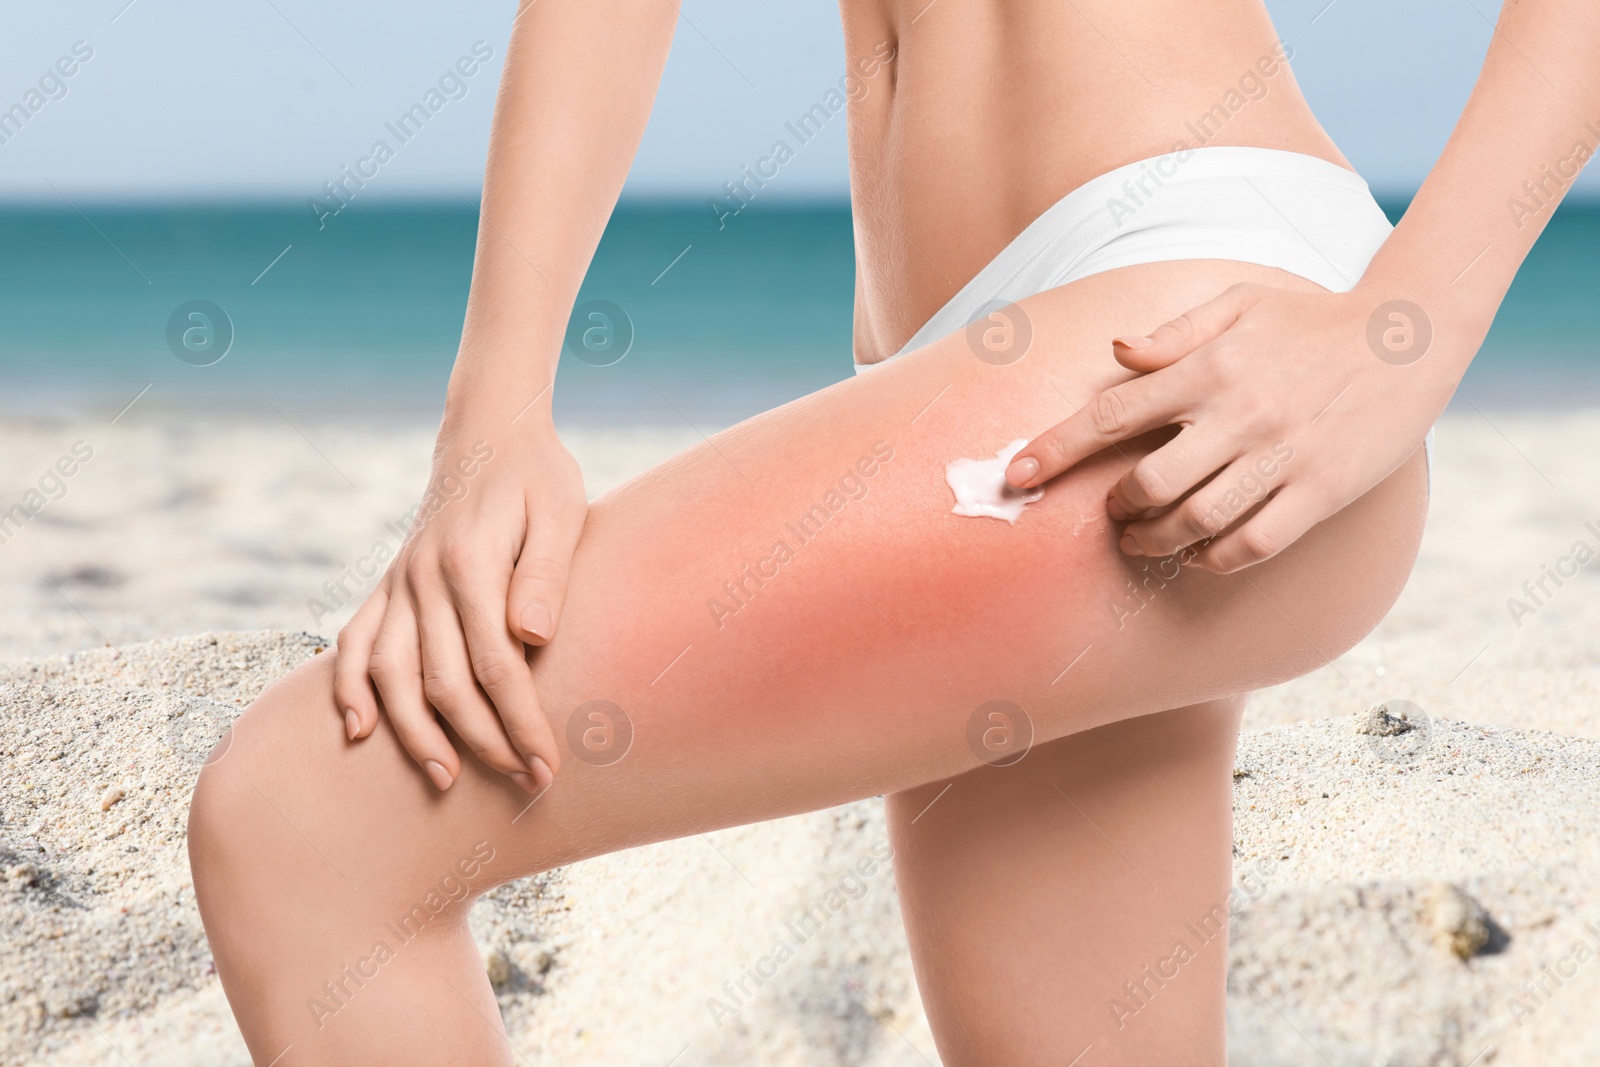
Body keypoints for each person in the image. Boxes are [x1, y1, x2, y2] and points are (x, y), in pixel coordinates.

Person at [187, 0, 1599, 1063]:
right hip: (990, 336)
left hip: (1159, 334)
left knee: (309, 822)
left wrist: (1408, 328)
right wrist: (494, 406)